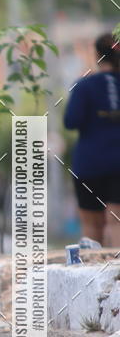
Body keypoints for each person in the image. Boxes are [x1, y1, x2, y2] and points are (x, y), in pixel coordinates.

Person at [64, 33, 120, 247]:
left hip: (90, 163)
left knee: (92, 225)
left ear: (97, 56)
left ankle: (91, 275)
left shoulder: (84, 86)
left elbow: (71, 121)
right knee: (116, 223)